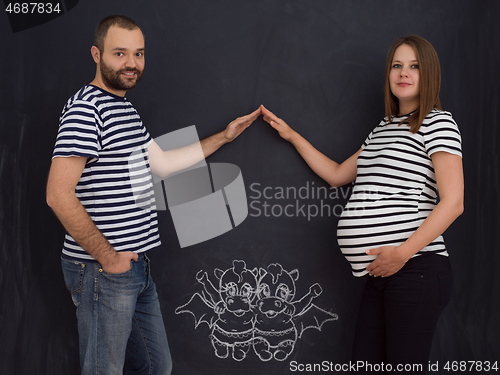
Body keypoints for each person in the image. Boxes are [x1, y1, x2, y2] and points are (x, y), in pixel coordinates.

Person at [46, 15, 260, 375]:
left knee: (155, 366)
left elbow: (160, 164)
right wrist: (109, 258)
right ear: (96, 54)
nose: (131, 63)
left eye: (139, 54)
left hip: (135, 268)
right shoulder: (88, 109)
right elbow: (57, 194)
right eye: (120, 53)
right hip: (104, 270)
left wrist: (224, 137)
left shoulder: (124, 108)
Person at [261, 35, 463, 374]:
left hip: (416, 269)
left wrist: (402, 253)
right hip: (382, 274)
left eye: (414, 66)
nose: (403, 73)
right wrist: (291, 136)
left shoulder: (438, 123)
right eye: (397, 65)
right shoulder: (383, 129)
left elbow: (454, 202)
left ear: (429, 74)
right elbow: (339, 174)